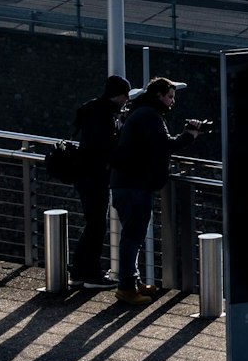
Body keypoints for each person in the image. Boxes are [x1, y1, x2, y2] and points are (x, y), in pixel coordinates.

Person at [110, 77, 203, 305]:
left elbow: (156, 144)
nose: (172, 101)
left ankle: (133, 281)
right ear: (158, 95)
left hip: (129, 184)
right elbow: (165, 145)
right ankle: (126, 289)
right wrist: (189, 136)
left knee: (133, 237)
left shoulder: (141, 113)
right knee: (132, 239)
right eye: (170, 96)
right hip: (135, 186)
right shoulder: (149, 116)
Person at [68, 75, 130, 288]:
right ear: (118, 95)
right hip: (94, 176)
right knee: (96, 225)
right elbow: (108, 146)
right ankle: (91, 274)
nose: (126, 100)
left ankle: (78, 272)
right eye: (125, 95)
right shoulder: (105, 115)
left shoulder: (94, 109)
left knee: (92, 224)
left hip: (85, 175)